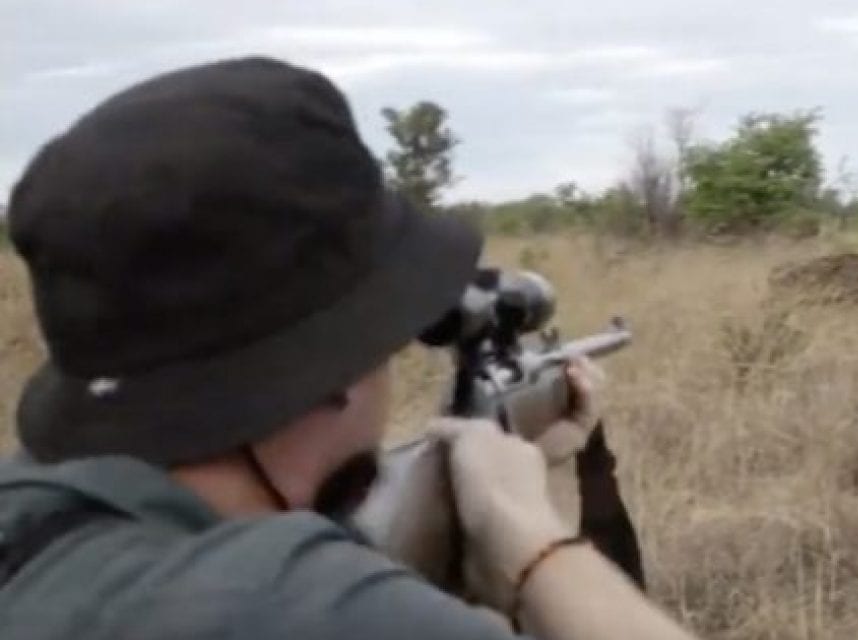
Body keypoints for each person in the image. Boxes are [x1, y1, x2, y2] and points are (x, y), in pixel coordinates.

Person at [0, 57, 699, 640]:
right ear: (334, 367)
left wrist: (506, 477)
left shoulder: (33, 519)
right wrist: (532, 542)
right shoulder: (303, 608)